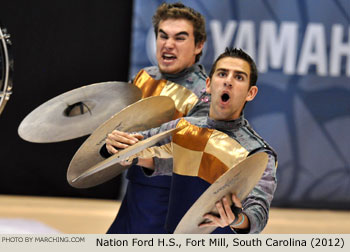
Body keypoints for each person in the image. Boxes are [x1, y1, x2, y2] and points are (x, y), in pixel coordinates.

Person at [109, 48, 278, 233]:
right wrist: (122, 149)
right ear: (208, 84)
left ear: (251, 93)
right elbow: (147, 150)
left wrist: (238, 219)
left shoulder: (258, 153)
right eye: (222, 74)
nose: (228, 81)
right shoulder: (183, 127)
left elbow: (258, 211)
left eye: (239, 77)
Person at [102, 2, 210, 233]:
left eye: (180, 38)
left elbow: (197, 159)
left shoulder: (205, 94)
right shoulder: (142, 78)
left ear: (199, 45)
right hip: (135, 194)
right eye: (163, 36)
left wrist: (139, 156)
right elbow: (120, 130)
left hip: (174, 202)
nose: (168, 45)